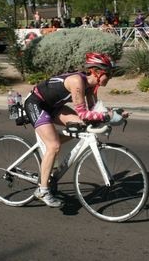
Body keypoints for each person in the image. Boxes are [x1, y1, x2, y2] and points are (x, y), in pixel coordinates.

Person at [23, 52, 129, 207]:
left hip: (53, 107)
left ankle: (52, 143)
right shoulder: (77, 82)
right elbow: (84, 113)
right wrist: (108, 116)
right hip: (36, 104)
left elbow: (94, 110)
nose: (110, 78)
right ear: (97, 72)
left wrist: (116, 113)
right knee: (54, 146)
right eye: (109, 74)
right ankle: (42, 190)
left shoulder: (91, 86)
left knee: (81, 127)